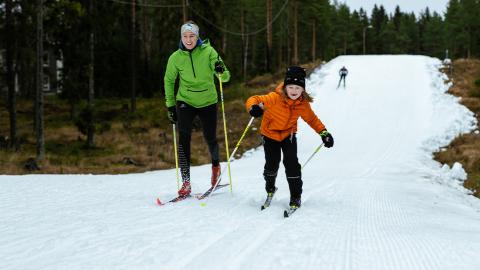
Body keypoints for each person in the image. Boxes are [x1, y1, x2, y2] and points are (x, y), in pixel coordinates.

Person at [245, 66, 334, 210]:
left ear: (303, 90)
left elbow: (312, 120)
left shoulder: (302, 104)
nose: (294, 91)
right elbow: (254, 99)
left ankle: (295, 196)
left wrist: (324, 133)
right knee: (271, 165)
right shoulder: (274, 98)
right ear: (285, 87)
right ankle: (270, 188)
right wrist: (253, 108)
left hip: (289, 135)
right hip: (270, 135)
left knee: (292, 164)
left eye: (298, 88)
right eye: (291, 87)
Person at [164, 21, 231, 197]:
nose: (188, 39)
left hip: (208, 100)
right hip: (185, 100)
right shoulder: (175, 58)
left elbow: (225, 77)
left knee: (210, 137)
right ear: (181, 37)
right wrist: (170, 105)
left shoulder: (209, 52)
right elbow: (169, 81)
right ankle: (186, 182)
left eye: (192, 36)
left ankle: (215, 168)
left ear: (197, 36)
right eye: (185, 36)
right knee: (183, 137)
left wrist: (220, 70)